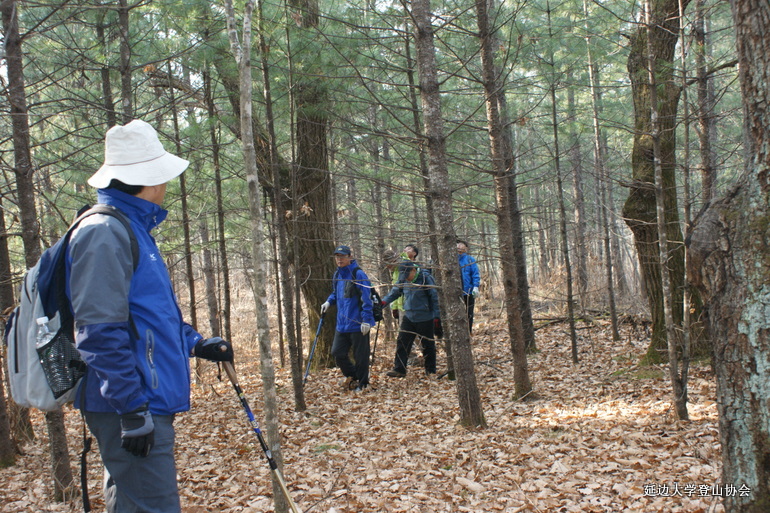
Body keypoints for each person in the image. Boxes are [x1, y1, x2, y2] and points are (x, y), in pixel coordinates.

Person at [68, 119, 234, 513]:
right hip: (131, 401)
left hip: (139, 399)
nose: (166, 186)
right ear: (148, 179)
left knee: (129, 503)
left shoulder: (132, 228)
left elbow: (148, 314)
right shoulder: (105, 232)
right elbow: (96, 330)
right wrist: (130, 408)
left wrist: (194, 342)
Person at [321, 245, 376, 392]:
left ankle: (363, 383)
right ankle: (354, 376)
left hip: (358, 323)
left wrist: (366, 320)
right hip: (342, 323)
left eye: (343, 256)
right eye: (337, 257)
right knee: (337, 353)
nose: (339, 259)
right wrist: (328, 301)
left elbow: (367, 298)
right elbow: (335, 293)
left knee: (361, 356)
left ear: (350, 257)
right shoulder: (337, 275)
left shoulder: (358, 274)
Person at [381, 261, 442, 378]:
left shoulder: (425, 278)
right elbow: (395, 292)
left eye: (407, 275)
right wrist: (383, 302)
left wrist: (436, 317)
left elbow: (434, 298)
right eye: (403, 276)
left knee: (428, 345)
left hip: (425, 317)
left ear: (413, 270)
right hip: (409, 316)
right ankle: (399, 369)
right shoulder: (403, 278)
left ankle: (431, 371)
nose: (406, 278)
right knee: (402, 342)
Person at [457, 239, 480, 335]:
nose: (459, 247)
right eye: (457, 245)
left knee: (469, 313)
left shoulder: (470, 260)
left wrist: (476, 286)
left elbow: (475, 274)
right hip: (455, 292)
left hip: (469, 291)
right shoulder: (451, 260)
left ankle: (468, 331)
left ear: (466, 248)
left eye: (462, 245)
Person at [382, 249, 404, 322]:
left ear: (393, 260)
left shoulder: (403, 268)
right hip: (401, 308)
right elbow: (395, 291)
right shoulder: (395, 271)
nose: (387, 266)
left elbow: (398, 289)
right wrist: (395, 307)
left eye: (388, 263)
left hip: (409, 308)